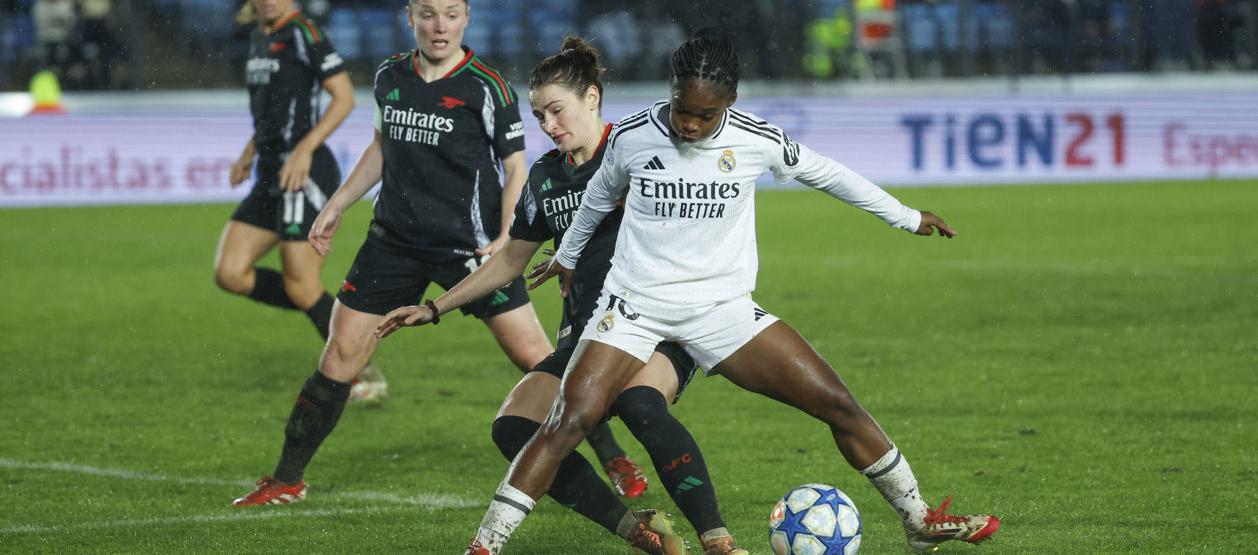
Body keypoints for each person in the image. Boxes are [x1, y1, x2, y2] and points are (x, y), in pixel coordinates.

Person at [446, 29, 1002, 554]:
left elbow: (828, 173)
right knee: (567, 420)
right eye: (683, 110)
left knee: (837, 403)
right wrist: (567, 256)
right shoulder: (636, 137)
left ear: (730, 101)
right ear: (671, 95)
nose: (690, 124)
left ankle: (919, 519)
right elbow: (595, 201)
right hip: (635, 307)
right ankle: (484, 544)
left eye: (705, 115)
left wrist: (906, 216)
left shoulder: (754, 139)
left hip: (722, 310)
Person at [231, 0, 643, 508]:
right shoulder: (389, 76)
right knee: (339, 355)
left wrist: (503, 234)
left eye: (450, 13)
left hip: (469, 247)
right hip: (392, 244)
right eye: (428, 14)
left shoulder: (486, 86)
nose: (440, 25)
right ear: (411, 18)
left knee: (538, 359)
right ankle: (287, 480)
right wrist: (338, 204)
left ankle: (614, 458)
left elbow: (515, 168)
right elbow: (382, 147)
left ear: (466, 18)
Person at [376, 36, 746, 555]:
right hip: (585, 335)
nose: (548, 125)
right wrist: (435, 306)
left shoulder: (641, 152)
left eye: (557, 110)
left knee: (640, 403)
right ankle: (639, 532)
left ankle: (719, 541)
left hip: (654, 326)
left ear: (592, 98)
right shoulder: (545, 177)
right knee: (513, 427)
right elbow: (509, 261)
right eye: (539, 115)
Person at [214, 0, 367, 392]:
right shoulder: (258, 36)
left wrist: (304, 148)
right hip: (269, 172)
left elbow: (344, 97)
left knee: (302, 285)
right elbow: (271, 110)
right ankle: (338, 321)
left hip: (305, 172)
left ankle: (357, 368)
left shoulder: (305, 33)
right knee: (230, 272)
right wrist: (249, 152)